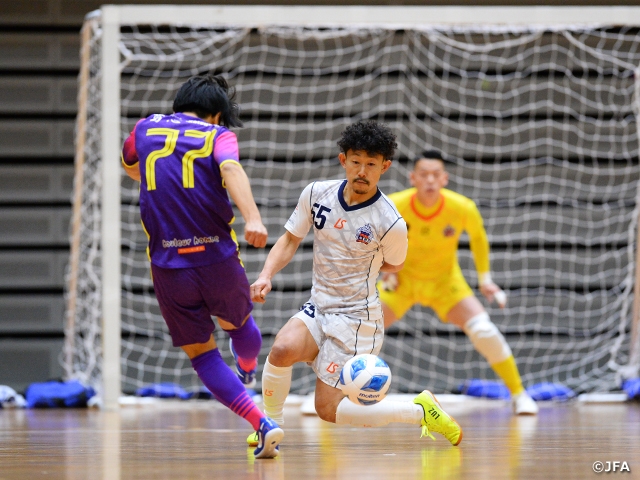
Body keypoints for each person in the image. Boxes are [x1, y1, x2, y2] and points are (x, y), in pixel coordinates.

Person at [248, 121, 463, 449]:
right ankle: (269, 427)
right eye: (356, 161)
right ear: (343, 160)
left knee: (327, 409)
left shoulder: (390, 221)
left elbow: (395, 263)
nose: (362, 170)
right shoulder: (316, 193)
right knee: (281, 349)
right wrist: (265, 275)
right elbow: (290, 239)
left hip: (356, 319)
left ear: (384, 167)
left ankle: (419, 411)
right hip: (318, 305)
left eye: (372, 164)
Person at [121, 74, 283, 458]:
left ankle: (261, 423)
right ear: (215, 115)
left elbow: (131, 166)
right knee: (241, 326)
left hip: (168, 266)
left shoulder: (144, 128)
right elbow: (230, 170)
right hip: (217, 259)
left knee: (202, 355)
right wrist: (253, 218)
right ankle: (246, 366)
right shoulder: (217, 136)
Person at [378, 149, 538, 415]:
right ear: (413, 178)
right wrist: (388, 270)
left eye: (435, 175)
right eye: (424, 175)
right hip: (402, 282)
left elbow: (479, 239)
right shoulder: (393, 204)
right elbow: (377, 237)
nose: (430, 180)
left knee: (484, 331)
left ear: (444, 179)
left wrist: (485, 280)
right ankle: (330, 393)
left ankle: (519, 394)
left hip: (445, 283)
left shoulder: (462, 207)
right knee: (361, 332)